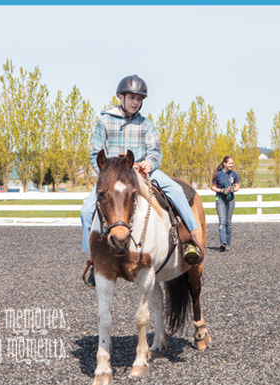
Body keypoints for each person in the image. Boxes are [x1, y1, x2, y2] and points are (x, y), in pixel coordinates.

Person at [80, 74, 202, 285]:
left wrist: (150, 163)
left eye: (140, 99)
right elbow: (94, 155)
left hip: (144, 173)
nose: (136, 102)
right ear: (120, 97)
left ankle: (190, 238)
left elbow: (156, 152)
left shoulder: (146, 124)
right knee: (86, 210)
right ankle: (93, 258)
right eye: (132, 98)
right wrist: (108, 175)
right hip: (113, 179)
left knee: (175, 190)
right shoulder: (104, 122)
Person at [210, 156, 240, 252]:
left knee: (228, 222)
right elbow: (212, 186)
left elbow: (237, 186)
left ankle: (228, 243)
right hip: (221, 199)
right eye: (229, 163)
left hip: (230, 199)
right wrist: (221, 190)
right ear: (224, 163)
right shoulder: (218, 175)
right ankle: (222, 243)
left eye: (232, 163)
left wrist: (233, 189)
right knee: (222, 221)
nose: (231, 165)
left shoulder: (233, 174)